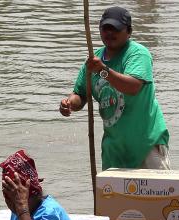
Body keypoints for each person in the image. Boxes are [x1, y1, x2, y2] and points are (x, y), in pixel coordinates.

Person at [59, 6, 170, 171]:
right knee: (114, 197)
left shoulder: (138, 54)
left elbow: (133, 86)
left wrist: (102, 70)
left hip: (146, 146)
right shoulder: (92, 61)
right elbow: (81, 94)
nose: (109, 33)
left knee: (157, 196)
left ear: (129, 31)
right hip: (114, 151)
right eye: (106, 28)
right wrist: (70, 103)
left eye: (115, 29)